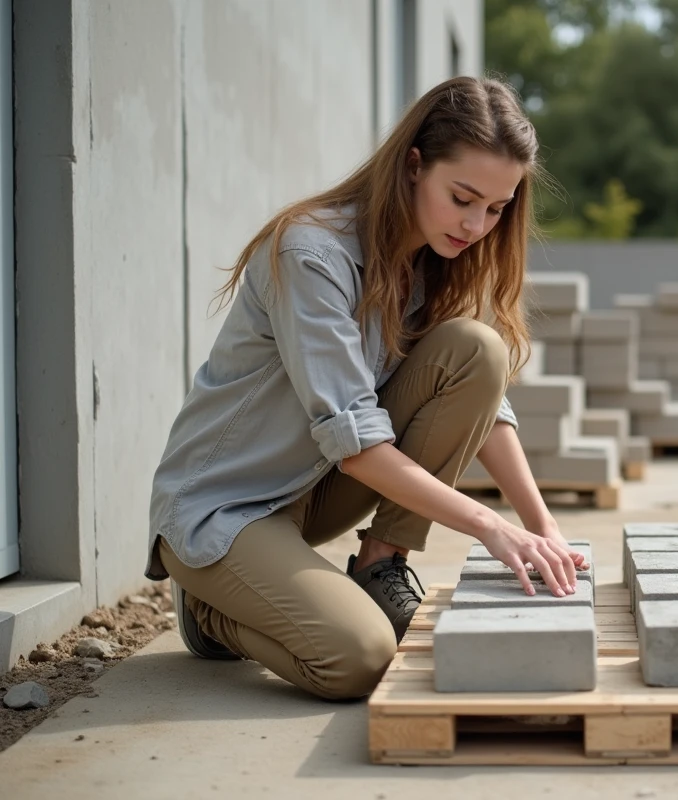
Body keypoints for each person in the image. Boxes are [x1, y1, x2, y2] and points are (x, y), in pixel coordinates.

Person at [145, 76, 587, 701]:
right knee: (361, 658)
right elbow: (354, 439)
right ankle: (211, 609)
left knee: (477, 350)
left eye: (496, 208)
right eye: (462, 197)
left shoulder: (433, 258)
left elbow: (483, 398)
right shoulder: (312, 254)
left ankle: (382, 565)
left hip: (313, 487)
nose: (476, 224)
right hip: (225, 511)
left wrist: (542, 525)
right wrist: (489, 525)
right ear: (414, 165)